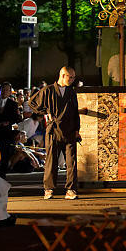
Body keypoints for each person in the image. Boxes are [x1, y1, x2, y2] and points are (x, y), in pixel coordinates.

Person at [28, 67, 81, 200]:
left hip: (69, 130)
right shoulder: (48, 90)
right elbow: (32, 103)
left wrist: (77, 130)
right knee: (51, 161)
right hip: (54, 130)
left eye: (74, 77)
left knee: (71, 162)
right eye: (71, 77)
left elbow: (75, 113)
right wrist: (46, 111)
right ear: (63, 75)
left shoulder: (71, 92)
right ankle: (49, 189)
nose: (73, 80)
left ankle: (71, 189)